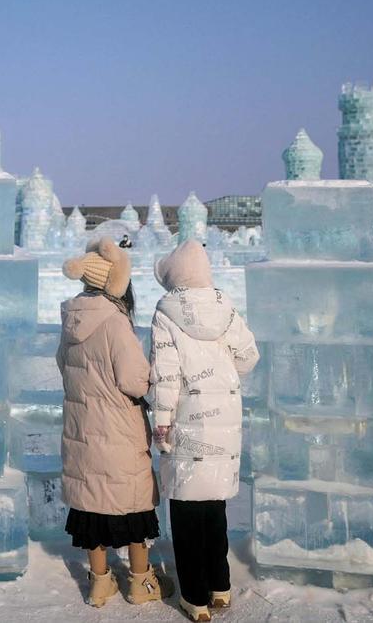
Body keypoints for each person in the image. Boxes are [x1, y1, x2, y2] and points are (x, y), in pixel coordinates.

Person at [148, 240, 259, 622]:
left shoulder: (165, 313)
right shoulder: (226, 309)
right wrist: (224, 373)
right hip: (223, 421)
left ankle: (194, 599)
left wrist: (161, 422)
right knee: (214, 509)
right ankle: (220, 587)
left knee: (185, 511)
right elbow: (249, 356)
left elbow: (165, 374)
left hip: (186, 423)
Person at [58, 238, 166, 608]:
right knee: (133, 503)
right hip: (117, 426)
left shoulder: (72, 320)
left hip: (82, 425)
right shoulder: (115, 322)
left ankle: (100, 582)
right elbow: (134, 379)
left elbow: (64, 368)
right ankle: (140, 582)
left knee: (91, 503)